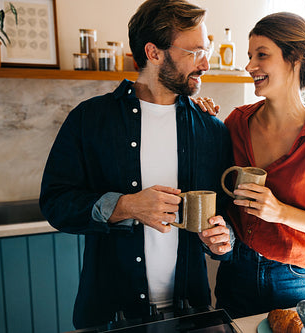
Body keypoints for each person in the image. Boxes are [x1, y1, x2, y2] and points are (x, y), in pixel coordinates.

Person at [39, 0, 233, 329]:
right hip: (112, 315)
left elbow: (227, 219)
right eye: (195, 51)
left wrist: (222, 239)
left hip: (193, 313)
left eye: (208, 48)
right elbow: (55, 203)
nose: (206, 62)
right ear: (154, 52)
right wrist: (126, 206)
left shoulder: (211, 128)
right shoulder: (89, 119)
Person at [209, 12, 305, 318]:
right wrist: (199, 117)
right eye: (250, 56)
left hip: (298, 280)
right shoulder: (237, 122)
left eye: (262, 55)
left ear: (296, 59)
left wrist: (279, 212)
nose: (250, 66)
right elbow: (221, 198)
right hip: (237, 271)